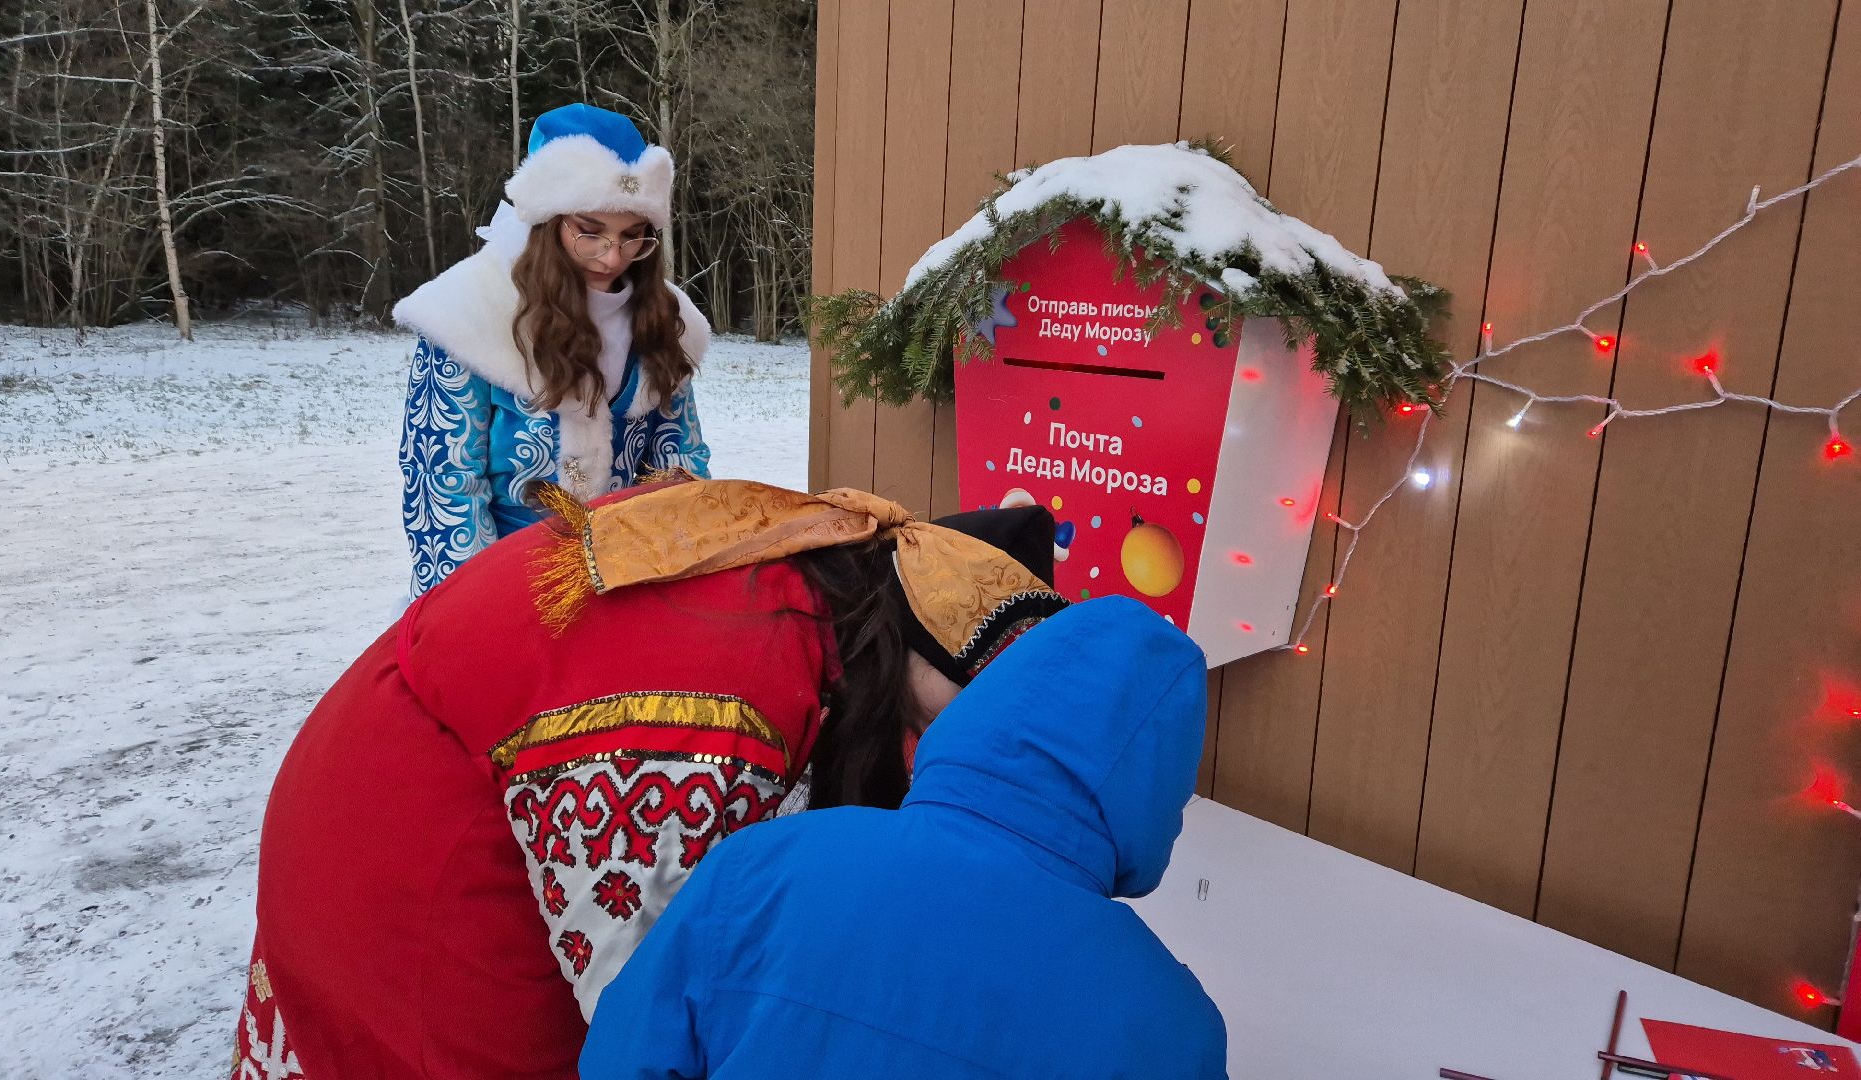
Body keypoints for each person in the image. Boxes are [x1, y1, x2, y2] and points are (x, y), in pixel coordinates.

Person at [228, 477, 1069, 1080]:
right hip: (416, 880)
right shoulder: (713, 703)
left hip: (414, 773)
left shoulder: (819, 560)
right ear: (922, 655)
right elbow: (655, 1003)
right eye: (955, 726)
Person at [577, 595, 1230, 1079]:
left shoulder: (764, 868)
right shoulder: (1172, 1027)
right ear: (1155, 793)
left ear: (990, 706)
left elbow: (622, 1058)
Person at [396, 103, 713, 598]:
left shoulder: (666, 320)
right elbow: (445, 489)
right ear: (547, 220)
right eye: (590, 232)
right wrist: (477, 615)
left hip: (630, 592)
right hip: (503, 592)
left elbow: (681, 468)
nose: (613, 257)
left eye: (634, 236)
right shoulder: (467, 314)